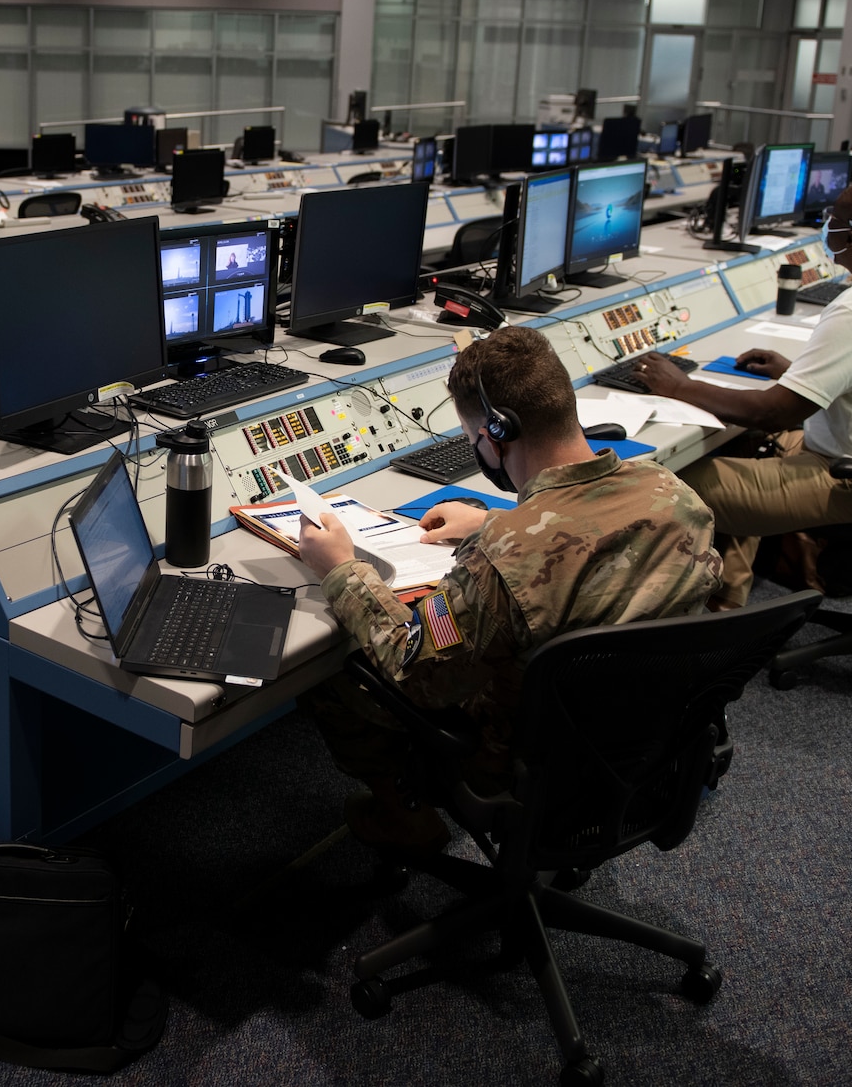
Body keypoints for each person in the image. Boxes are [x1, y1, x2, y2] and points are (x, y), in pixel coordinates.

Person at [294, 326, 721, 856]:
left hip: (519, 764)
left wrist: (341, 569)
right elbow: (585, 532)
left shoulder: (504, 556)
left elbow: (416, 674)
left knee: (333, 672)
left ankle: (404, 816)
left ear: (495, 434)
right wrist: (496, 519)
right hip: (647, 744)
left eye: (474, 439)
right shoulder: (674, 495)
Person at [629, 181, 852, 610]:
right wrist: (798, 373)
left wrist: (678, 386)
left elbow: (773, 413)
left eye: (833, 223)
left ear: (850, 236)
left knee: (672, 482)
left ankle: (702, 620)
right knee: (751, 448)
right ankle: (727, 600)